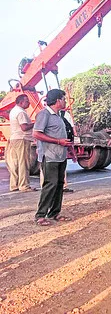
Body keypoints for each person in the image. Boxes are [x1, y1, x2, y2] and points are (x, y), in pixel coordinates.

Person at [33, 89, 73, 226]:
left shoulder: (59, 116)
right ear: (57, 100)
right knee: (50, 184)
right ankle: (40, 215)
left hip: (60, 155)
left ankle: (54, 213)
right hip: (49, 156)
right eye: (63, 99)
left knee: (59, 184)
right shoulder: (44, 114)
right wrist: (58, 142)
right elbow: (37, 134)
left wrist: (69, 150)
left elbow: (62, 135)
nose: (65, 101)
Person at [6, 94, 36, 192]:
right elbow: (24, 127)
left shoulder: (13, 111)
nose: (29, 103)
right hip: (22, 139)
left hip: (14, 138)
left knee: (15, 163)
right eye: (27, 101)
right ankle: (24, 186)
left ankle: (14, 185)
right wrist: (35, 123)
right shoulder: (21, 112)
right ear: (21, 102)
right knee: (24, 163)